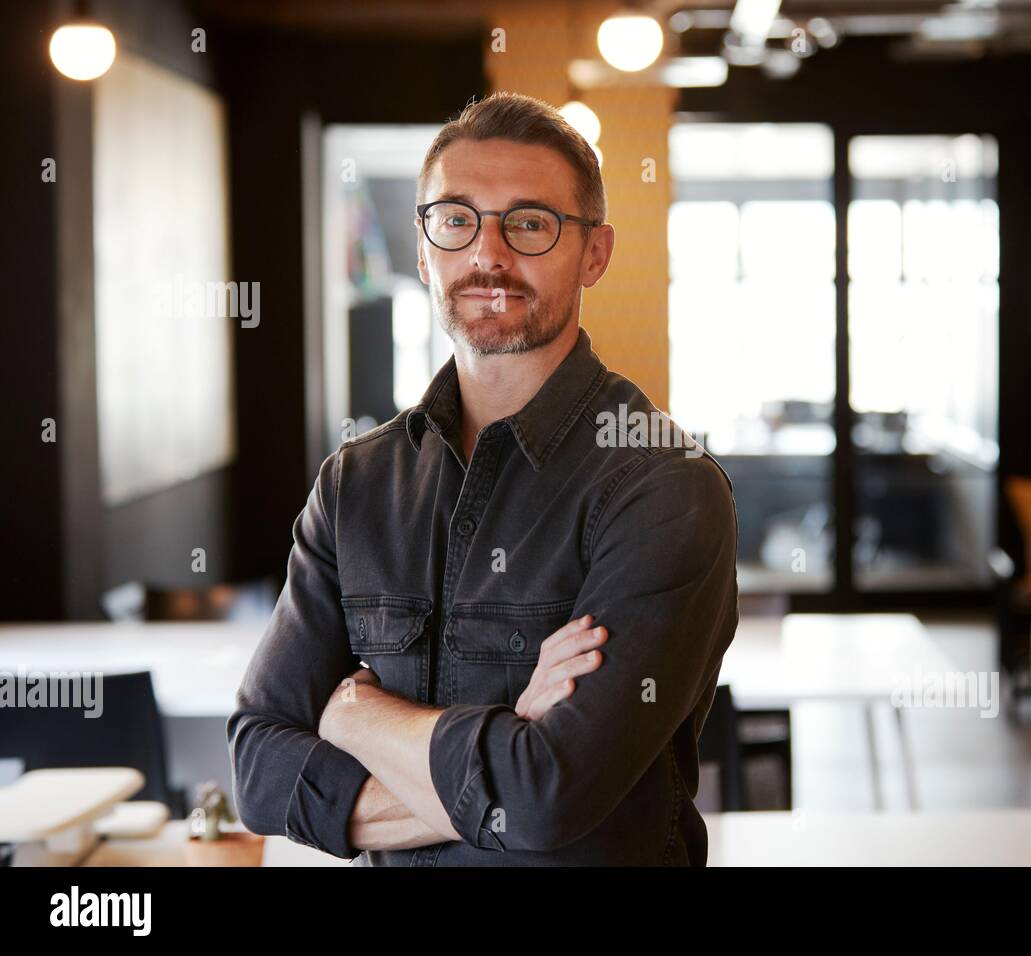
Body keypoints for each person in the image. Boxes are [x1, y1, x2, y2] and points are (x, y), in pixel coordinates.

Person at [227, 91, 740, 866]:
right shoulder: (354, 485)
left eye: (530, 223)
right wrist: (506, 746)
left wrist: (356, 714)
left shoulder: (664, 488)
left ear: (593, 253)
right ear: (425, 245)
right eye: (457, 219)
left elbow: (549, 797)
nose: (488, 256)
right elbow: (259, 774)